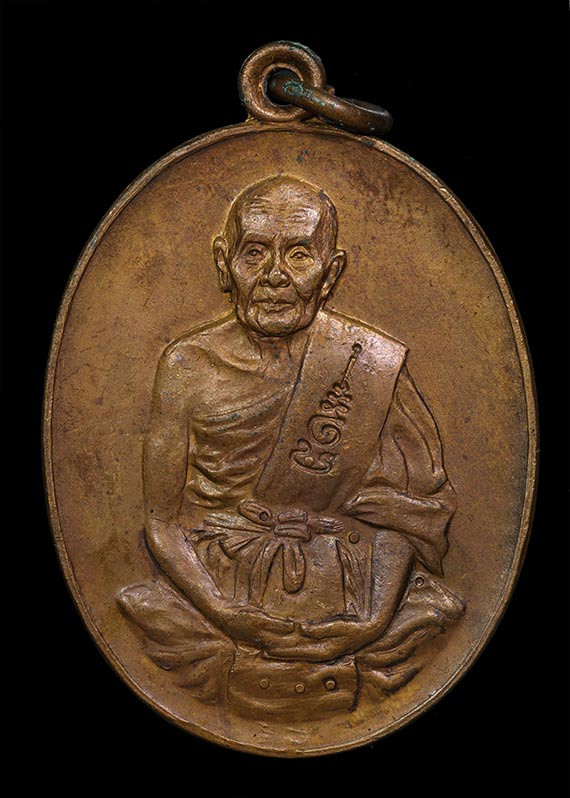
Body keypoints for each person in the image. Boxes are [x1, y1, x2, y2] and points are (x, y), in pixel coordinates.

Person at [118, 175, 463, 717]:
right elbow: (162, 521)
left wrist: (372, 621)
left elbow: (408, 514)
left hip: (353, 598)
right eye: (254, 253)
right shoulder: (187, 366)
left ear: (331, 273)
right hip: (215, 596)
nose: (275, 275)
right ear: (223, 263)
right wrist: (223, 612)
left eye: (299, 255)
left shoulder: (368, 364)